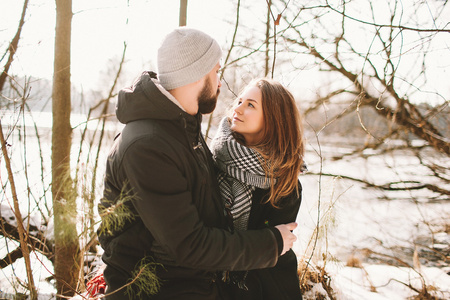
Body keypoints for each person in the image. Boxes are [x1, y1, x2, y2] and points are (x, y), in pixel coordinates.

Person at [97, 27, 298, 300]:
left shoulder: (182, 130)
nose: (219, 82)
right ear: (195, 74)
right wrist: (271, 243)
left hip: (191, 287)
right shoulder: (148, 145)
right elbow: (189, 244)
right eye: (216, 71)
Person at [210, 78, 306, 299]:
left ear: (274, 120)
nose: (238, 109)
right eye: (240, 101)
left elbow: (271, 260)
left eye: (250, 105)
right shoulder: (211, 162)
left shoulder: (284, 184)